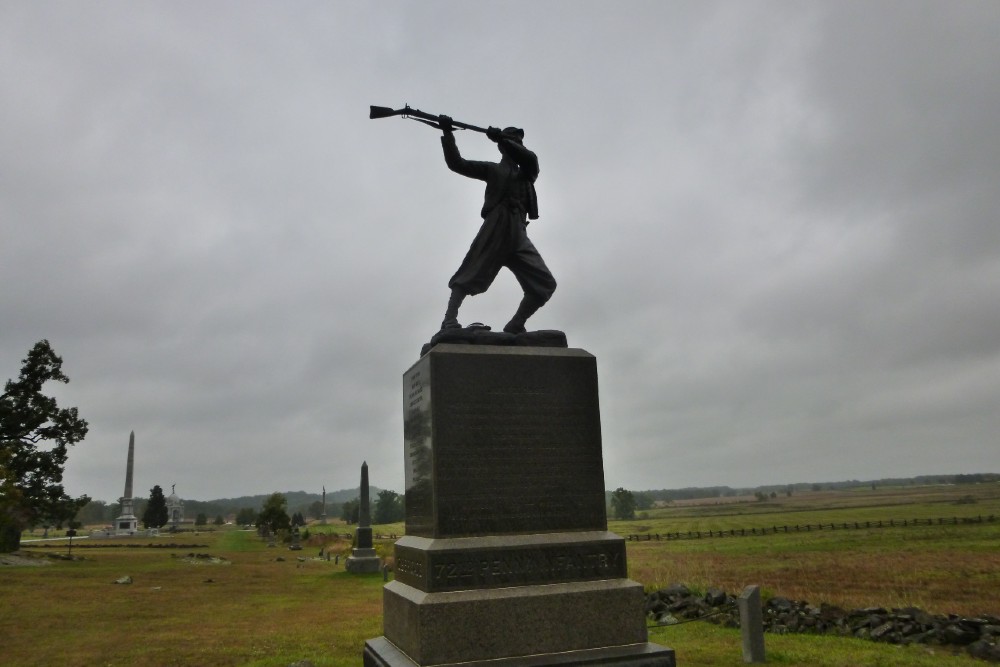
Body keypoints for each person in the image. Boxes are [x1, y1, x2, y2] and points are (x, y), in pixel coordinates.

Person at [438, 114, 556, 333]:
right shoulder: (493, 170)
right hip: (498, 224)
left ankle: (516, 324)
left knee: (545, 284)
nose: (518, 145)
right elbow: (457, 164)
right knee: (470, 270)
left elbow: (530, 158)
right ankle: (449, 321)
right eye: (514, 141)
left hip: (519, 231)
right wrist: (447, 133)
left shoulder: (527, 172)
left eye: (518, 142)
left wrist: (501, 139)